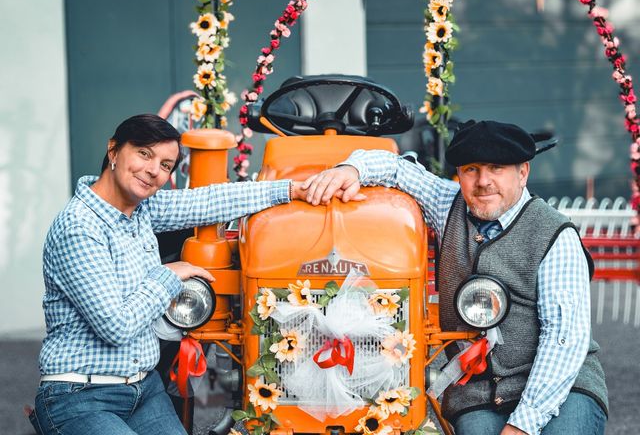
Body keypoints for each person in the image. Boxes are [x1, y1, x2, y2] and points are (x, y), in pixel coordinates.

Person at [302, 120, 608, 435]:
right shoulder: (448, 204)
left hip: (563, 387)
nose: (483, 181)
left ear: (523, 172)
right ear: (459, 174)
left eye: (496, 168)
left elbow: (564, 339)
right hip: (479, 394)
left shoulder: (555, 234)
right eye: (471, 169)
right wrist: (351, 170)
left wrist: (522, 425)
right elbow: (398, 169)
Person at [32, 114, 308, 435]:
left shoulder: (142, 209)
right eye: (144, 153)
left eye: (165, 165)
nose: (153, 170)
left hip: (143, 390)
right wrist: (169, 275)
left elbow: (210, 200)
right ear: (114, 151)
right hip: (80, 395)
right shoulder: (79, 227)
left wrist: (292, 189)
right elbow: (116, 327)